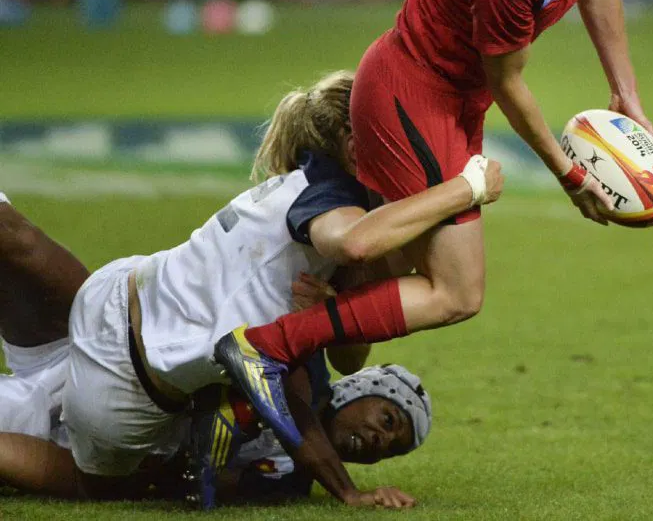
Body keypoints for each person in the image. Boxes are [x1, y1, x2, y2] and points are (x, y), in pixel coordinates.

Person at [213, 0, 653, 452]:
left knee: (400, 280)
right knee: (457, 291)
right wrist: (571, 174)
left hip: (451, 98)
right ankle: (268, 344)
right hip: (411, 93)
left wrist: (625, 91)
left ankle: (318, 304)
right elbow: (508, 83)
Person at [13, 71, 501, 506]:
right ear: (357, 148)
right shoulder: (331, 205)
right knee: (98, 484)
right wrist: (466, 188)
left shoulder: (305, 182)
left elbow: (351, 358)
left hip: (117, 293)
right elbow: (356, 245)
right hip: (128, 383)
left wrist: (338, 309)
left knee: (22, 243)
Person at [0, 194, 435, 508]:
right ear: (362, 387)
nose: (380, 441)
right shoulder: (308, 357)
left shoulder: (289, 481)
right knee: (21, 243)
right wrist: (347, 491)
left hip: (115, 417)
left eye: (390, 450)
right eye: (388, 420)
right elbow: (289, 403)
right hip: (116, 354)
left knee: (103, 480)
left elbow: (195, 483)